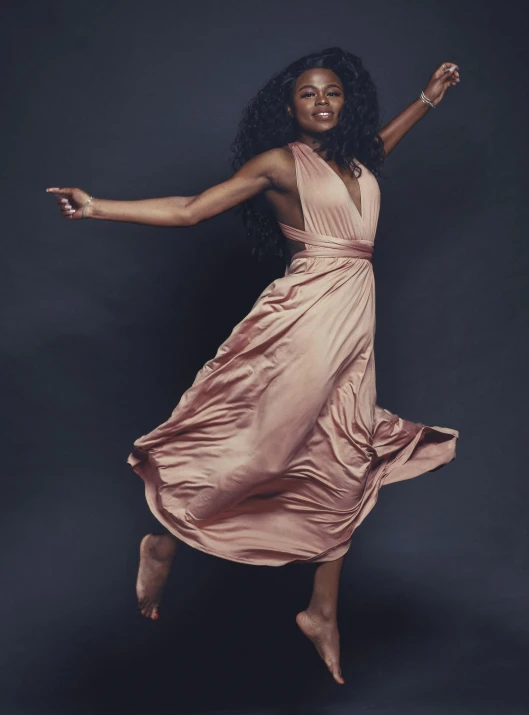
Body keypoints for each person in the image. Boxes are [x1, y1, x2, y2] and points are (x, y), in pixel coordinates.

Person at [46, 47, 460, 685]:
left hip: (355, 326)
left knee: (346, 456)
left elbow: (383, 144)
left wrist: (428, 99)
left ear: (345, 101)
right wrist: (98, 205)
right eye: (308, 95)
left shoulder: (356, 160)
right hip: (306, 322)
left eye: (332, 93)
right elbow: (191, 208)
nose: (322, 102)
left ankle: (322, 611)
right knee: (259, 451)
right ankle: (165, 537)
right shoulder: (278, 164)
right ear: (288, 107)